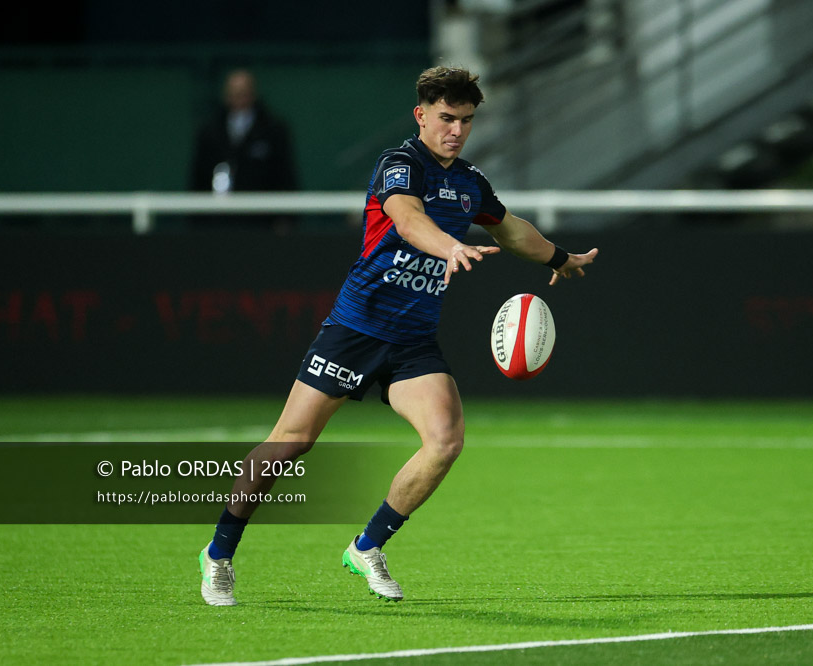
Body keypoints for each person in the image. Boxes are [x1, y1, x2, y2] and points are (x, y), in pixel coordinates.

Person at [197, 66, 598, 606]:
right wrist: (450, 247)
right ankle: (219, 553)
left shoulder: (470, 182)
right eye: (447, 118)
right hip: (355, 330)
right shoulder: (400, 166)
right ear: (422, 115)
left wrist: (559, 257)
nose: (456, 130)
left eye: (467, 121)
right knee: (289, 445)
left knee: (445, 441)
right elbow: (407, 220)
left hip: (412, 341)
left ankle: (367, 546)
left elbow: (509, 228)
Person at [188, 69, 298, 232]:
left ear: (253, 94)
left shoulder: (273, 129)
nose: (239, 98)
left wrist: (286, 218)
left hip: (261, 223)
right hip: (218, 224)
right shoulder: (210, 131)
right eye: (234, 93)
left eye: (243, 93)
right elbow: (198, 178)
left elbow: (285, 175)